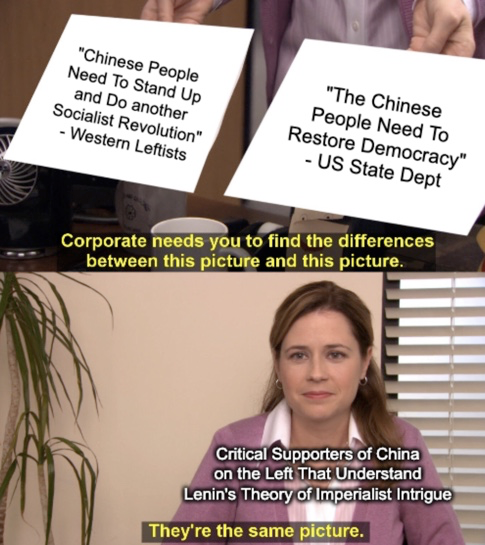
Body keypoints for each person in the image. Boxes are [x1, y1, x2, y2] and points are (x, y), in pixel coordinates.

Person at [172, 281, 464, 545]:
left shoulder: (403, 443)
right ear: (278, 363)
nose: (316, 373)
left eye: (335, 354)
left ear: (364, 362)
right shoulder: (233, 446)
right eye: (299, 355)